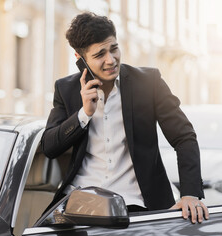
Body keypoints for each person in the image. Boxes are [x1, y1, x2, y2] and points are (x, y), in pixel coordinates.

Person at [41, 12, 209, 223]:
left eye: (114, 49)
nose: (110, 60)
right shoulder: (66, 89)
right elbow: (49, 147)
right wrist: (84, 114)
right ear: (80, 59)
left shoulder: (149, 82)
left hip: (138, 204)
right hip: (79, 204)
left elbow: (184, 137)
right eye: (99, 54)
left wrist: (190, 194)